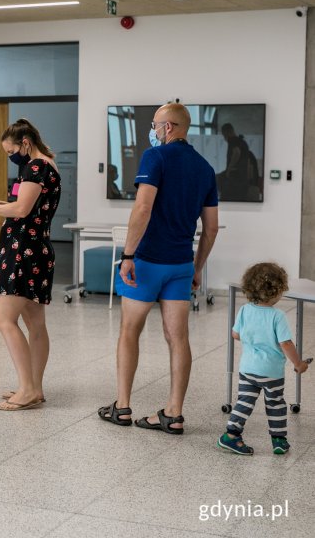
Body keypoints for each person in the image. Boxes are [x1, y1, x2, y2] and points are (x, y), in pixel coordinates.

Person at [97, 102, 219, 433]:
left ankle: (122, 407)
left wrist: (128, 255)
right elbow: (210, 229)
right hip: (180, 264)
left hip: (147, 262)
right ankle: (173, 414)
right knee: (178, 337)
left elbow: (143, 207)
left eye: (154, 124)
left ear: (168, 127)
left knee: (129, 331)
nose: (151, 130)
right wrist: (196, 268)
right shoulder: (205, 168)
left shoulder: (156, 157)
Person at [0, 118, 60, 412]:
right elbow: (28, 206)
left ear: (25, 143)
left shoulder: (35, 167)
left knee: (4, 320)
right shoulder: (49, 166)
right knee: (35, 324)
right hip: (37, 250)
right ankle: (34, 387)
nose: (10, 157)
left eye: (10, 152)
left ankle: (28, 389)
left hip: (24, 253)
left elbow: (21, 209)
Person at [219, 262, 308, 455]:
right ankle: (278, 441)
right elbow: (286, 344)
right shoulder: (278, 316)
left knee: (244, 402)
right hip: (271, 372)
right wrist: (298, 364)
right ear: (277, 291)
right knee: (275, 404)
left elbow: (235, 334)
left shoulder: (245, 310)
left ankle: (231, 435)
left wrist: (255, 338)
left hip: (248, 369)